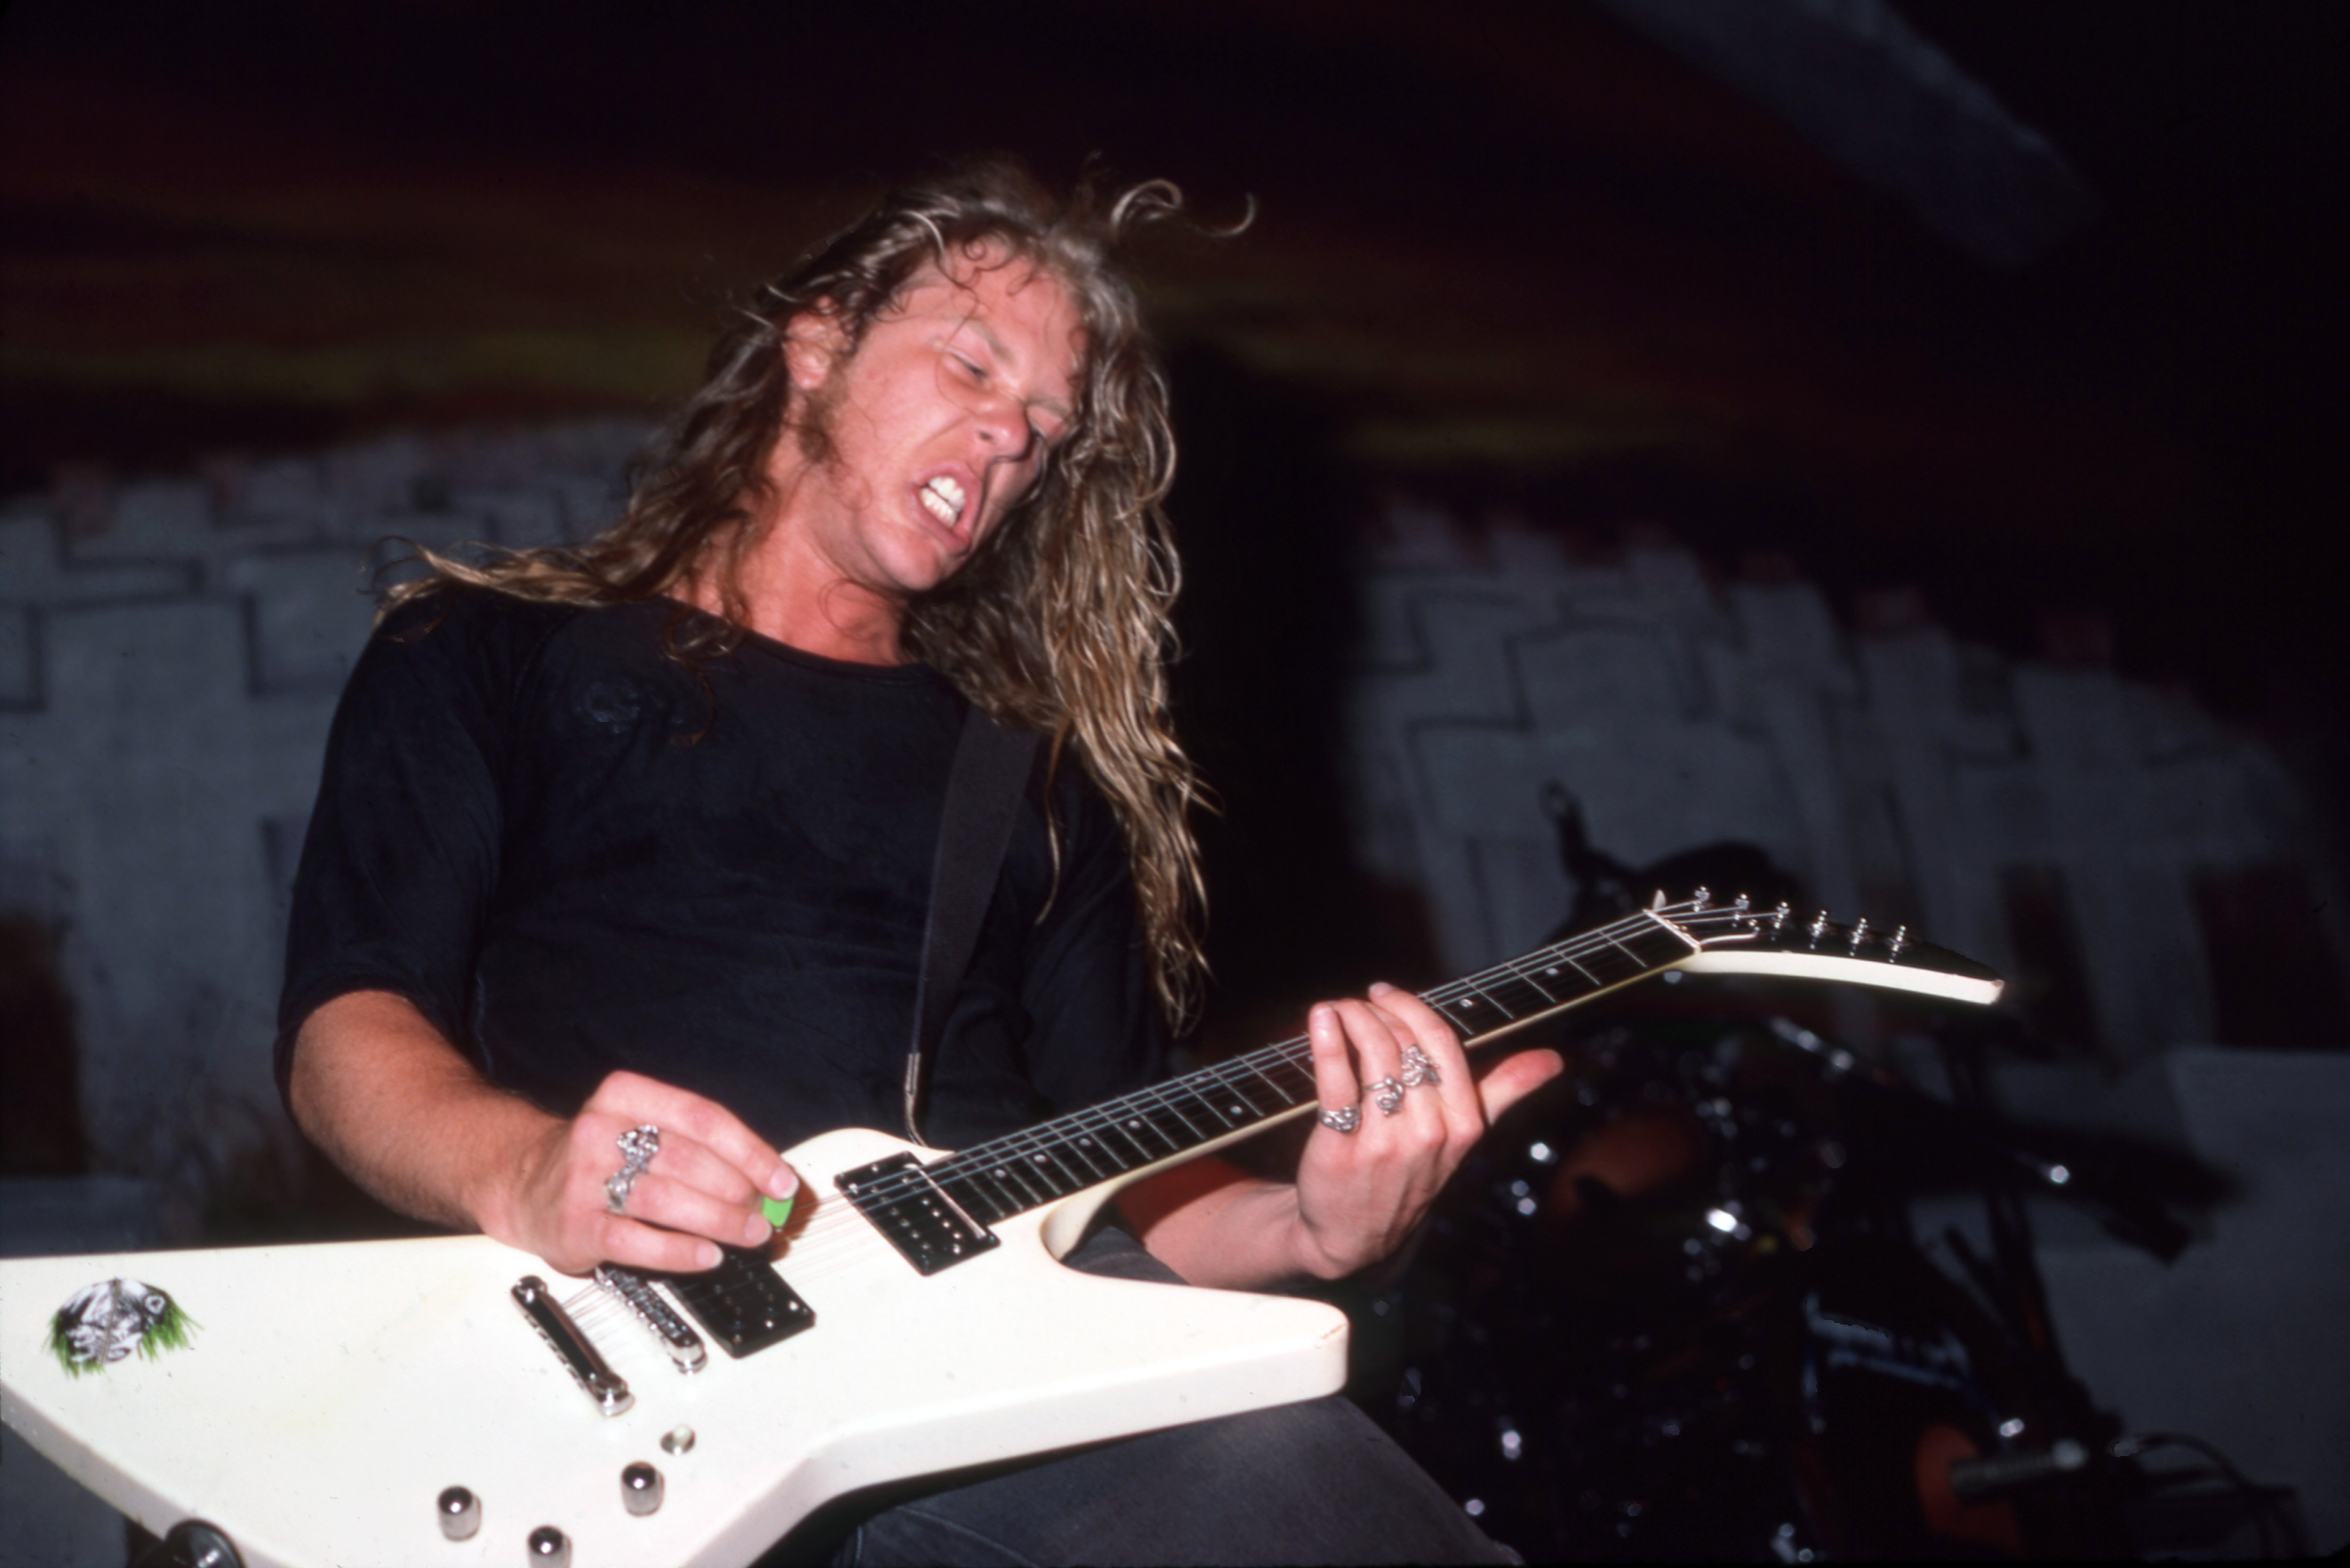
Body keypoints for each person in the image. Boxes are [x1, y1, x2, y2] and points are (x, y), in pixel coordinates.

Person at [277, 158, 1564, 1565]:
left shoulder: (1027, 777)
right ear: (816, 345)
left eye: (1041, 428)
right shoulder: (480, 653)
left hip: (1015, 1394)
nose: (1004, 439)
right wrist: (526, 1167)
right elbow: (350, 1028)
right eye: (970, 365)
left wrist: (1314, 1228)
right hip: (643, 1387)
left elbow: (1119, 1210)